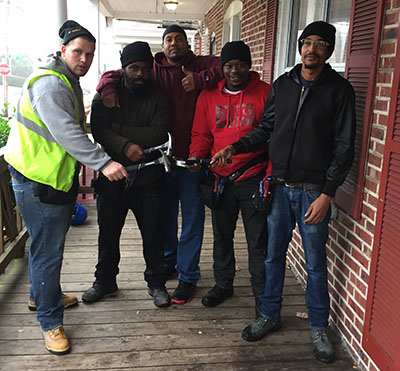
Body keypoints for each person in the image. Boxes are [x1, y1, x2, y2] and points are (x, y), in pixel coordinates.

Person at [211, 21, 356, 363]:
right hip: (276, 187)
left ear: (329, 50)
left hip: (312, 193)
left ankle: (319, 327)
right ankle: (269, 314)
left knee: (315, 263)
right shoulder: (283, 84)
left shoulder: (340, 90)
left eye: (320, 43)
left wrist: (327, 194)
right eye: (307, 42)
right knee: (272, 256)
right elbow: (267, 128)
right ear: (300, 47)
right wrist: (236, 146)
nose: (312, 49)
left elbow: (344, 146)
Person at [5, 20, 127, 355]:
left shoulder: (64, 78)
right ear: (63, 51)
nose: (85, 59)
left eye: (90, 54)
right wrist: (104, 162)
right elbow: (68, 133)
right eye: (78, 52)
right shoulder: (52, 85)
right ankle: (50, 320)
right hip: (39, 181)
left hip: (43, 177)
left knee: (44, 245)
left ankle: (39, 296)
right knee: (49, 253)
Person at [97, 25, 224, 304]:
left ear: (188, 44)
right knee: (163, 219)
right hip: (161, 162)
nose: (174, 43)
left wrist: (202, 79)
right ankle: (169, 262)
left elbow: (226, 65)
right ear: (162, 46)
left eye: (180, 38)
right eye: (169, 39)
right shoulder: (151, 70)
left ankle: (188, 275)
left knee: (192, 220)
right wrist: (106, 86)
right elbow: (115, 73)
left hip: (193, 159)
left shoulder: (199, 65)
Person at [81, 41, 171, 308]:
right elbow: (99, 129)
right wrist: (125, 145)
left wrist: (119, 130)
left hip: (149, 179)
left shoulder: (159, 98)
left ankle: (156, 283)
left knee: (153, 234)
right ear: (123, 68)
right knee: (108, 234)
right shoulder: (106, 94)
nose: (140, 74)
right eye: (134, 68)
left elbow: (159, 132)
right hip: (112, 177)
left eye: (145, 68)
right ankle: (105, 281)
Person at [188, 41, 270, 314]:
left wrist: (268, 177)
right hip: (220, 179)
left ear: (249, 65)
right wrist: (196, 156)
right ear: (222, 68)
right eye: (229, 65)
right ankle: (224, 284)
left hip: (253, 177)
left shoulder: (266, 93)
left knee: (258, 241)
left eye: (241, 65)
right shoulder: (207, 96)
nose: (235, 70)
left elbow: (272, 137)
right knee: (222, 236)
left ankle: (262, 297)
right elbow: (202, 134)